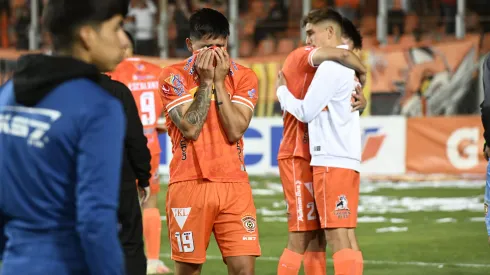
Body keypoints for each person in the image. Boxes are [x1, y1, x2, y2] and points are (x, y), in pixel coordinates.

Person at [0, 0, 129, 274]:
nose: (123, 41)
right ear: (87, 35)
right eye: (117, 27)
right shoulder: (98, 107)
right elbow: (95, 219)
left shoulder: (8, 94)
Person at [158, 8, 261, 275]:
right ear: (190, 45)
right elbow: (190, 128)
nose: (214, 53)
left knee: (244, 270)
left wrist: (219, 83)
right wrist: (206, 83)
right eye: (206, 46)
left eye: (220, 45)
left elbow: (236, 129)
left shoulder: (244, 76)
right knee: (189, 271)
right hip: (189, 183)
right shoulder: (173, 76)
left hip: (234, 185)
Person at [276, 12, 366, 275]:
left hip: (326, 157)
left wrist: (281, 92)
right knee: (327, 235)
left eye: (311, 33)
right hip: (334, 157)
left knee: (323, 235)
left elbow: (305, 111)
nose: (307, 41)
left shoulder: (328, 65)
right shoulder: (343, 67)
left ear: (329, 33)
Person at [110, 30, 172, 275]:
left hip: (120, 147)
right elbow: (166, 116)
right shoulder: (156, 70)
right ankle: (154, 261)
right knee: (150, 202)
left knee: (116, 204)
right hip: (149, 146)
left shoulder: (114, 72)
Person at [100, 30, 153, 275]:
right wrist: (143, 178)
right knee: (130, 245)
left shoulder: (61, 93)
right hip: (118, 182)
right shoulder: (118, 91)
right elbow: (135, 140)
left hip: (75, 185)